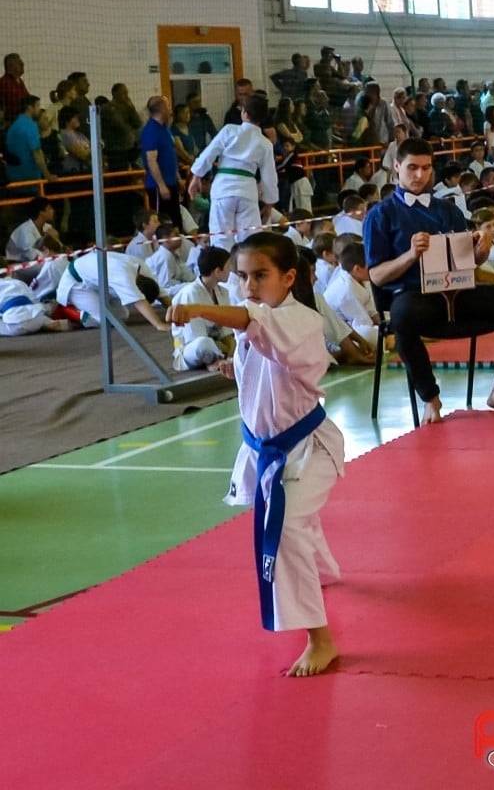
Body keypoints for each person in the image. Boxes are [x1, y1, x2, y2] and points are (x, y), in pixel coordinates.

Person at [166, 232, 344, 676]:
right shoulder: (257, 323)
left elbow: (255, 321)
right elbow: (265, 365)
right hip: (268, 449)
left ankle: (321, 639)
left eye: (260, 275)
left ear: (288, 278)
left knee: (285, 529)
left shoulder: (302, 319)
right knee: (296, 520)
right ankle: (324, 570)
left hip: (308, 449)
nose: (248, 285)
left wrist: (200, 309)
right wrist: (238, 370)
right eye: (242, 275)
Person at [363, 139, 494, 423]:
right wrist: (411, 255)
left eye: (425, 168)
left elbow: (467, 263)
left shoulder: (447, 210)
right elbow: (376, 275)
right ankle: (430, 398)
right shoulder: (380, 215)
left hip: (458, 292)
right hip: (415, 295)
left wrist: (481, 251)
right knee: (402, 318)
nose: (419, 175)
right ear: (397, 167)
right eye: (412, 168)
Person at [189, 93, 278, 251]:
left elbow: (209, 154)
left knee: (221, 237)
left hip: (223, 188)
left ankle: (224, 274)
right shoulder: (265, 143)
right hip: (247, 191)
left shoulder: (229, 130)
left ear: (244, 113)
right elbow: (269, 176)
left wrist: (196, 177)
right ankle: (247, 273)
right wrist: (269, 203)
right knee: (250, 240)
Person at [56, 249, 171, 330]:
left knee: (122, 315)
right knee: (105, 321)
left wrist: (174, 313)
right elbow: (139, 301)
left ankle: (88, 307)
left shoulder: (142, 268)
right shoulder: (124, 276)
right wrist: (158, 324)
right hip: (76, 283)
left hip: (96, 281)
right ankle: (72, 312)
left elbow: (161, 293)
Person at [170, 246, 234, 371]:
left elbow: (227, 331)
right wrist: (224, 347)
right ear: (217, 272)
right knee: (204, 344)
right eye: (228, 267)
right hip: (191, 349)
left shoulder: (223, 292)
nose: (230, 270)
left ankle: (225, 358)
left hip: (219, 344)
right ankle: (214, 360)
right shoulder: (190, 294)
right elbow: (196, 336)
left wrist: (231, 350)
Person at [140, 95, 183, 231]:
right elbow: (151, 160)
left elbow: (170, 155)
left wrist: (178, 178)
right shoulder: (151, 131)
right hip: (159, 187)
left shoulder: (165, 129)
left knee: (176, 222)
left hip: (171, 183)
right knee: (163, 224)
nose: (170, 110)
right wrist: (161, 185)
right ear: (162, 109)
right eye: (168, 106)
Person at [5, 196, 60, 262]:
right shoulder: (25, 231)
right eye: (49, 208)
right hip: (19, 265)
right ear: (41, 212)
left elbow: (57, 249)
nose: (53, 211)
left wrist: (56, 238)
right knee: (53, 264)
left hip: (39, 261)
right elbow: (33, 257)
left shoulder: (47, 227)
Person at [0, 53, 29, 124]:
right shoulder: (3, 83)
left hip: (21, 122)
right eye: (19, 63)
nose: (22, 64)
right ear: (10, 67)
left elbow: (28, 99)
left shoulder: (20, 81)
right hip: (10, 125)